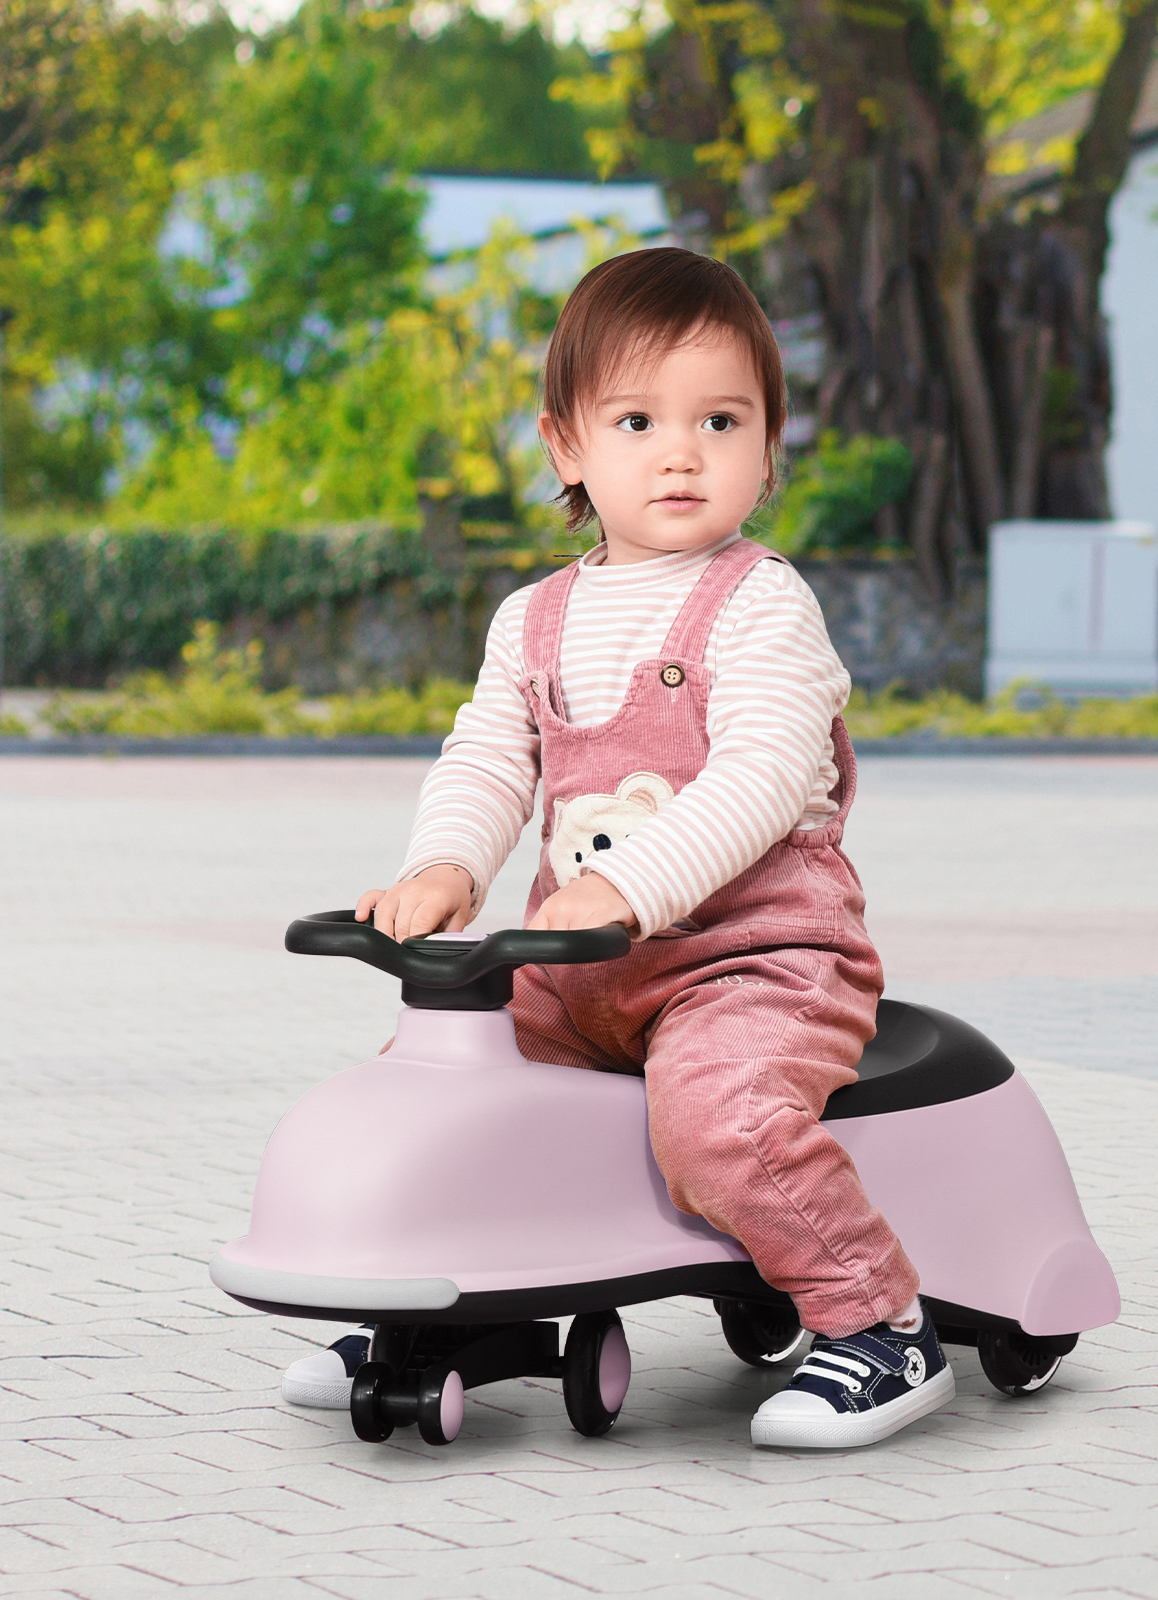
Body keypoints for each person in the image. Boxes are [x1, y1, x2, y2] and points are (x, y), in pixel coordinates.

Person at [280, 247, 951, 1448]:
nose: (682, 451)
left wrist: (623, 888)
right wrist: (445, 867)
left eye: (722, 419)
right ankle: (444, 1303)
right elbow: (490, 759)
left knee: (722, 1122)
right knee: (446, 1078)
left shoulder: (761, 605)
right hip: (578, 962)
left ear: (767, 444)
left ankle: (879, 1323)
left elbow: (756, 778)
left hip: (753, 959)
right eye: (638, 419)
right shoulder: (531, 618)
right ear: (566, 448)